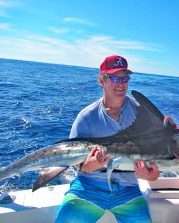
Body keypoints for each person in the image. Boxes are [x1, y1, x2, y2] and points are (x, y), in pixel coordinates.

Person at [55, 55, 160, 223]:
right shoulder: (86, 117)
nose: (121, 83)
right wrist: (89, 166)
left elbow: (156, 153)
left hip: (129, 189)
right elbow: (79, 165)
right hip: (89, 187)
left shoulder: (143, 113)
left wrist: (152, 177)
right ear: (102, 81)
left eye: (125, 78)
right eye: (114, 78)